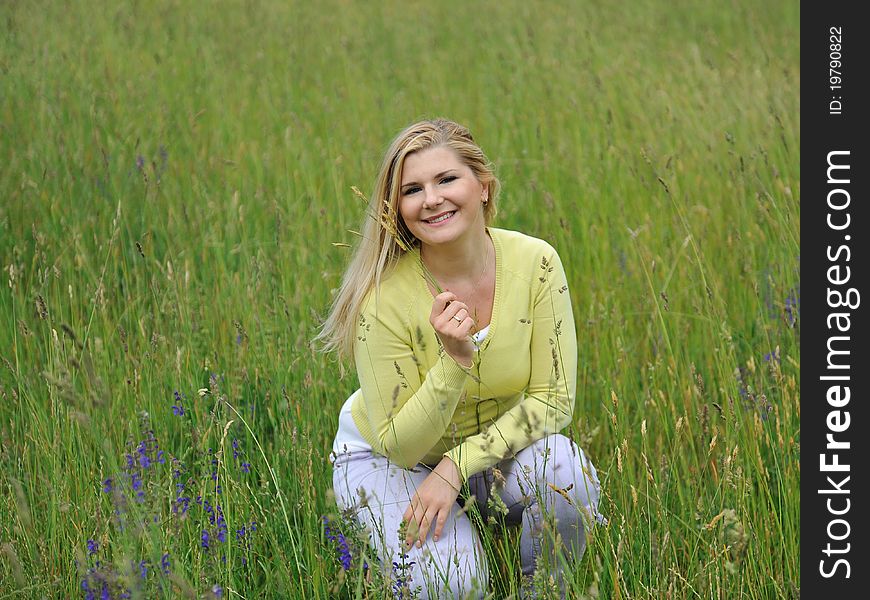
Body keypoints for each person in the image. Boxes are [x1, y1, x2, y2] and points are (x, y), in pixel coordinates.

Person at [314, 118, 605, 599]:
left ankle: (542, 592)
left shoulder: (537, 263)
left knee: (568, 480)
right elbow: (400, 447)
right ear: (397, 210)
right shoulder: (382, 300)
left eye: (446, 179)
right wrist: (453, 360)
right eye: (412, 189)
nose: (431, 199)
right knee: (454, 584)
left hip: (491, 452)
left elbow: (553, 401)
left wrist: (456, 467)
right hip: (393, 460)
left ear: (484, 188)